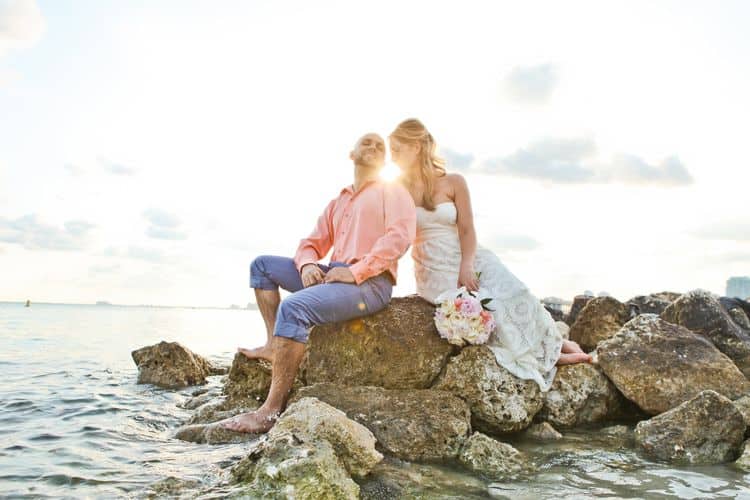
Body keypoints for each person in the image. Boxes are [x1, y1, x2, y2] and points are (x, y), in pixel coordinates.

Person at [221, 132, 416, 433]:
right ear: (352, 154)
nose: (375, 147)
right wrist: (309, 264)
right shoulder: (339, 201)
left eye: (381, 146)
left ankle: (269, 412)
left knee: (293, 309)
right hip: (333, 275)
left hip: (371, 284)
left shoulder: (394, 192)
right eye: (368, 142)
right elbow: (311, 243)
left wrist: (357, 271)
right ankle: (274, 344)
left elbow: (399, 238)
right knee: (262, 267)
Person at [389, 118, 590, 391]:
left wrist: (467, 264)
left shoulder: (454, 182)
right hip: (432, 265)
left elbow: (467, 229)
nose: (393, 157)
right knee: (487, 306)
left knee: (511, 287)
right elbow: (394, 235)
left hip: (465, 253)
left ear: (415, 147)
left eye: (397, 149)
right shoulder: (397, 189)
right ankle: (549, 358)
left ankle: (556, 344)